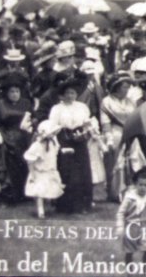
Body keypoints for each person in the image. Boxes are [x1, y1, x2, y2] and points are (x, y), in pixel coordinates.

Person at [48, 75, 94, 214]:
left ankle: (83, 204)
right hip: (64, 139)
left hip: (80, 140)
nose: (70, 96)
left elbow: (87, 123)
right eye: (67, 93)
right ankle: (65, 205)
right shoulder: (57, 108)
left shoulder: (82, 107)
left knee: (82, 171)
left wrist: (84, 132)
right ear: (63, 94)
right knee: (67, 171)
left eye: (73, 93)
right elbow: (53, 126)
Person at [0, 74, 32, 204]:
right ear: (6, 93)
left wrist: (30, 126)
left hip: (23, 137)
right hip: (6, 136)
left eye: (17, 91)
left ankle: (23, 194)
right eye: (12, 91)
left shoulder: (26, 103)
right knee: (6, 165)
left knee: (24, 164)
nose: (14, 94)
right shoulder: (0, 104)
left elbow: (32, 118)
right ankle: (5, 195)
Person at [100, 71, 137, 202]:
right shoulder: (107, 101)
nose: (127, 90)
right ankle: (115, 192)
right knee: (116, 162)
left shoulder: (130, 102)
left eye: (128, 87)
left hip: (130, 133)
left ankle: (130, 190)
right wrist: (108, 136)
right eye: (124, 87)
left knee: (131, 162)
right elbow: (105, 121)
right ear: (116, 87)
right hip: (115, 133)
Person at [23, 120, 64, 219]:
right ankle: (40, 210)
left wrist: (65, 150)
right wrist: (32, 174)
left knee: (50, 189)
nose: (54, 134)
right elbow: (30, 160)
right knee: (39, 192)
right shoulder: (37, 146)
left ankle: (51, 205)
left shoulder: (53, 142)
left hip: (50, 170)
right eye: (52, 132)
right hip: (39, 172)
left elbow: (56, 152)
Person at [116, 168, 146, 264]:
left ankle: (145, 269)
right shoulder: (130, 197)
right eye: (140, 185)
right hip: (131, 226)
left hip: (145, 226)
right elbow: (121, 213)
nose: (143, 188)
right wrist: (120, 226)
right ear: (135, 184)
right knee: (129, 250)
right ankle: (130, 271)